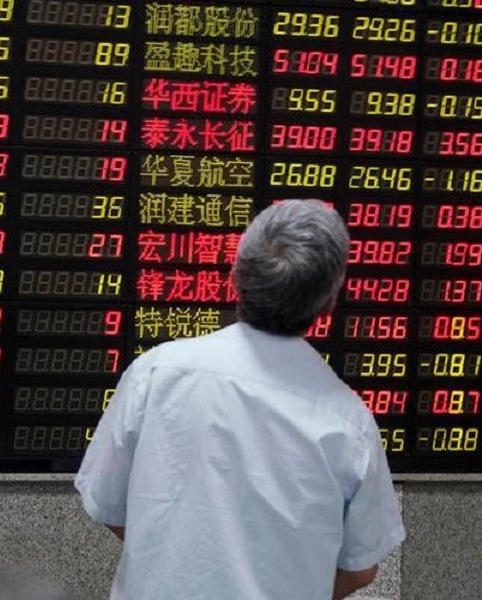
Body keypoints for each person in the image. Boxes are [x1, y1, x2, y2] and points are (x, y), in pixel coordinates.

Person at [75, 200, 405, 600]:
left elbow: (107, 503)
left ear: (236, 274)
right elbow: (359, 569)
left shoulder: (157, 373)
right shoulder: (349, 423)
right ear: (329, 302)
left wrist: (176, 556)